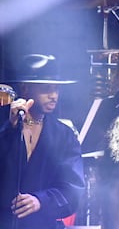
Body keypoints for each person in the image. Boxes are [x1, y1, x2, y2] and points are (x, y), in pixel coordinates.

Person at [0, 54, 85, 229]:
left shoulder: (64, 135)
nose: (54, 96)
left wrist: (41, 201)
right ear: (25, 89)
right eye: (46, 89)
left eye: (56, 89)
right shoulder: (5, 125)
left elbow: (73, 189)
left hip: (42, 224)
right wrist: (9, 129)